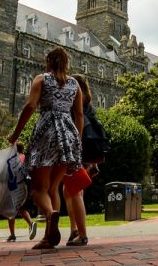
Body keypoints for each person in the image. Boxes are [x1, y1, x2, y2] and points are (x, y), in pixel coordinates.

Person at [8, 46, 83, 249]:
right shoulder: (74, 83)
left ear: (49, 61)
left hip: (47, 133)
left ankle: (50, 215)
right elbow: (79, 115)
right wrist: (77, 140)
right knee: (53, 188)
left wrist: (15, 134)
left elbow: (30, 106)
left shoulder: (41, 79)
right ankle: (48, 238)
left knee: (38, 189)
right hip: (68, 135)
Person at [63, 74, 94, 247]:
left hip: (76, 148)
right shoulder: (89, 102)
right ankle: (75, 230)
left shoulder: (77, 101)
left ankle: (80, 233)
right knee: (70, 190)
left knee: (73, 190)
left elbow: (77, 122)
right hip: (85, 151)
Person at [6, 142, 38, 242]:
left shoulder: (11, 159)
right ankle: (30, 223)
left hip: (15, 185)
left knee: (11, 209)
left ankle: (12, 234)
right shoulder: (25, 157)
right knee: (21, 208)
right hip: (26, 185)